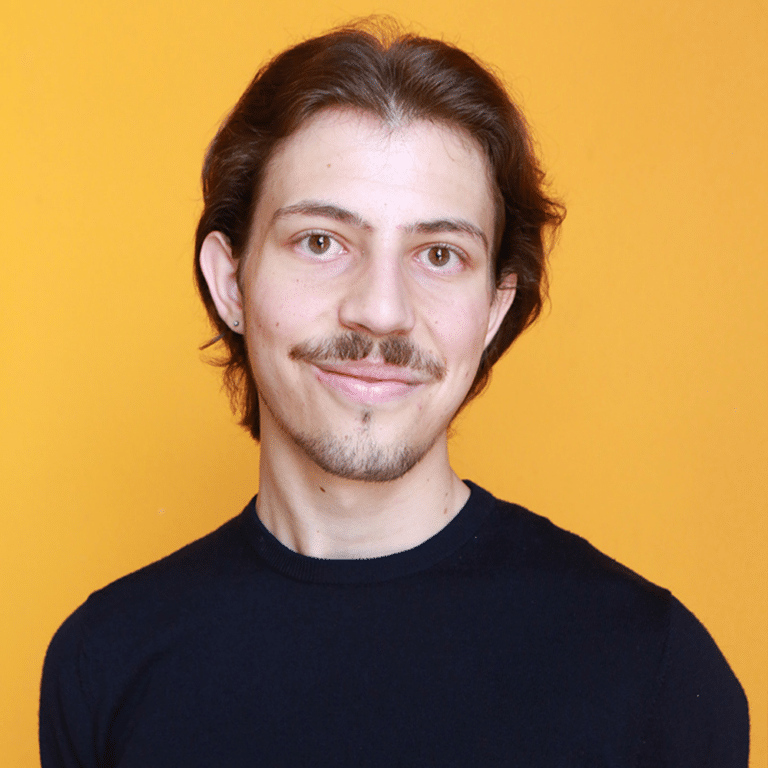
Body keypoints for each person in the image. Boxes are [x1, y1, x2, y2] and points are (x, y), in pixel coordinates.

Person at [39, 21, 749, 767]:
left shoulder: (655, 669)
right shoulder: (104, 663)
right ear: (230, 283)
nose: (381, 309)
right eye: (321, 241)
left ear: (494, 310)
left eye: (439, 255)